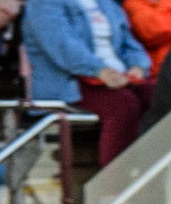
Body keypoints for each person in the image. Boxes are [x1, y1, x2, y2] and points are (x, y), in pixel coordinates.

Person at [22, 0, 152, 167]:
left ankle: (164, 175)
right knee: (122, 105)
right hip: (69, 82)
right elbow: (62, 45)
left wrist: (138, 66)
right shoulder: (42, 4)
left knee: (158, 96)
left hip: (118, 77)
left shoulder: (107, 3)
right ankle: (114, 183)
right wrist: (100, 70)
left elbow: (129, 43)